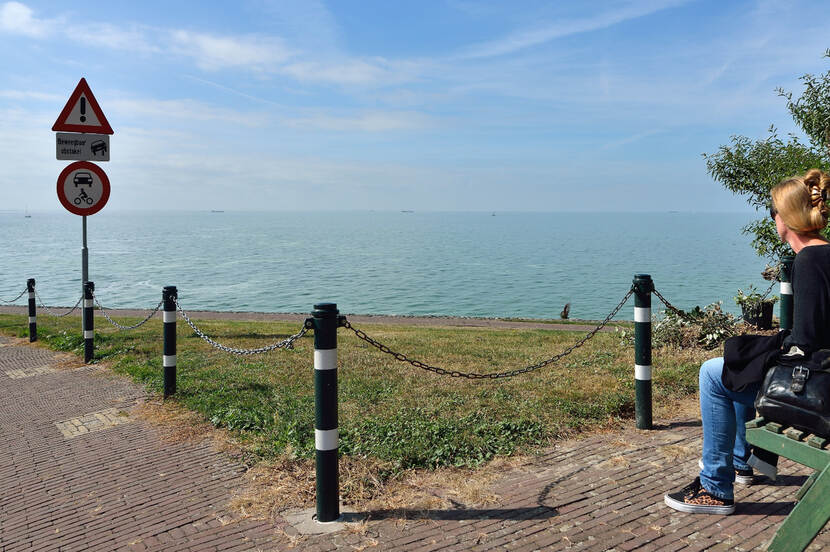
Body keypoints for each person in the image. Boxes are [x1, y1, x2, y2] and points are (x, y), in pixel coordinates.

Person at [664, 169, 830, 515]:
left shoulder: (810, 261)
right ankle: (744, 459)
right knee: (741, 364)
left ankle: (714, 486)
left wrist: (768, 351)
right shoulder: (824, 253)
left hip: (820, 390)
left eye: (773, 211)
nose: (773, 219)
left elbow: (809, 343)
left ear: (786, 218)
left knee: (714, 374)